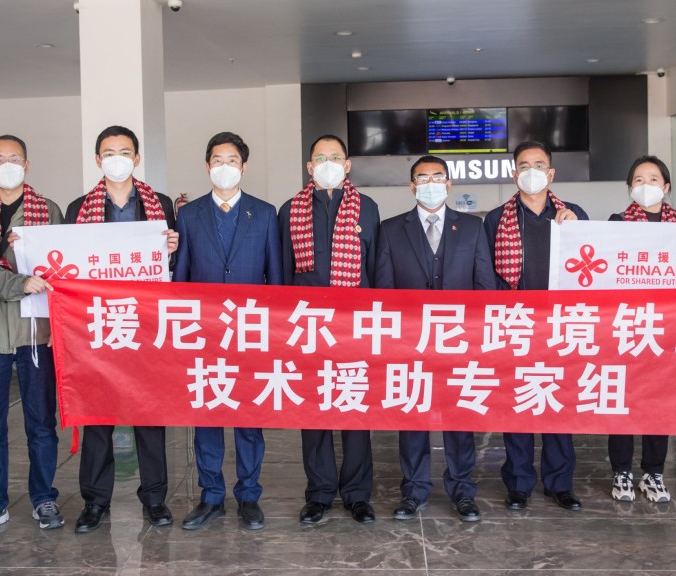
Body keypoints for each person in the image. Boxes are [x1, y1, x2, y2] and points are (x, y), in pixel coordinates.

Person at [65, 124, 180, 533]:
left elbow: (170, 270)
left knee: (149, 413)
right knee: (98, 416)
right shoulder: (78, 207)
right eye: (109, 152)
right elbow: (68, 268)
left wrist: (171, 250)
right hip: (97, 325)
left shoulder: (159, 204)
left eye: (125, 151)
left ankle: (155, 498)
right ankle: (95, 501)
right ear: (98, 160)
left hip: (147, 324)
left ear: (137, 157)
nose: (117, 158)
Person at [375, 155, 495, 522]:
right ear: (412, 186)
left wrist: (476, 338)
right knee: (412, 418)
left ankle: (462, 491)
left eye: (437, 176)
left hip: (459, 342)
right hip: (410, 342)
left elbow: (484, 287)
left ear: (448, 183)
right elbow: (383, 289)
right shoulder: (391, 229)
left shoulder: (473, 228)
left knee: (459, 418)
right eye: (422, 177)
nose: (430, 183)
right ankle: (413, 490)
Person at [173, 132, 282, 531]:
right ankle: (211, 495)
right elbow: (181, 279)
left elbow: (276, 280)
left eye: (232, 160)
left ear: (244, 167)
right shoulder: (189, 215)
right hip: (204, 333)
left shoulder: (266, 213)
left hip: (251, 331)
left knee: (249, 417)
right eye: (217, 160)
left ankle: (249, 495)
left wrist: (273, 333)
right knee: (207, 416)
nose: (224, 167)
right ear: (207, 166)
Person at [0, 135, 64, 536]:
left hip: (36, 332)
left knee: (41, 422)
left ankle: (44, 498)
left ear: (27, 164)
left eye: (14, 158)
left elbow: (60, 266)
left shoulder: (48, 210)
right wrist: (21, 282)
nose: (7, 164)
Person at [279, 134, 380, 525]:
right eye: (320, 157)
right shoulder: (290, 210)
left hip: (356, 325)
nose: (328, 163)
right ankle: (319, 493)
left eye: (335, 157)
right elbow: (285, 273)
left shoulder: (367, 208)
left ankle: (357, 494)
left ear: (348, 164)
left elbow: (376, 271)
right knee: (315, 412)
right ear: (309, 167)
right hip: (308, 327)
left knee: (355, 409)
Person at [483, 140, 587, 512]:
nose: (531, 171)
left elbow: (591, 270)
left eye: (539, 164)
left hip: (562, 325)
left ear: (551, 172)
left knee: (558, 404)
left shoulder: (573, 214)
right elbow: (490, 274)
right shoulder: (496, 218)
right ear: (515, 173)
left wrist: (578, 230)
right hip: (517, 324)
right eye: (524, 165)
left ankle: (560, 482)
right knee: (519, 404)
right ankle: (519, 482)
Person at [605, 155, 676, 504]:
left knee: (660, 402)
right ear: (629, 187)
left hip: (666, 328)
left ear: (666, 187)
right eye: (638, 179)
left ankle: (653, 473)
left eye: (653, 179)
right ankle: (621, 472)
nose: (645, 185)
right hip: (625, 326)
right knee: (621, 400)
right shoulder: (614, 223)